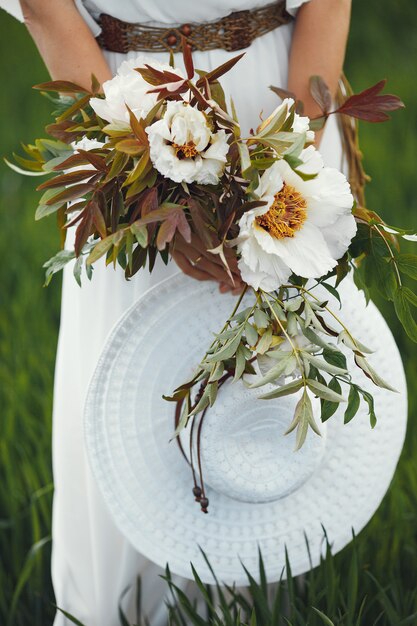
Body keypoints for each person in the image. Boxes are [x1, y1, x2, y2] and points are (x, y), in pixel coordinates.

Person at [0, 1, 352, 624]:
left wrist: (285, 177)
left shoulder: (288, 146)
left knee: (265, 387)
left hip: (275, 106)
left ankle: (263, 593)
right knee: (131, 386)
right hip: (126, 114)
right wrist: (147, 192)